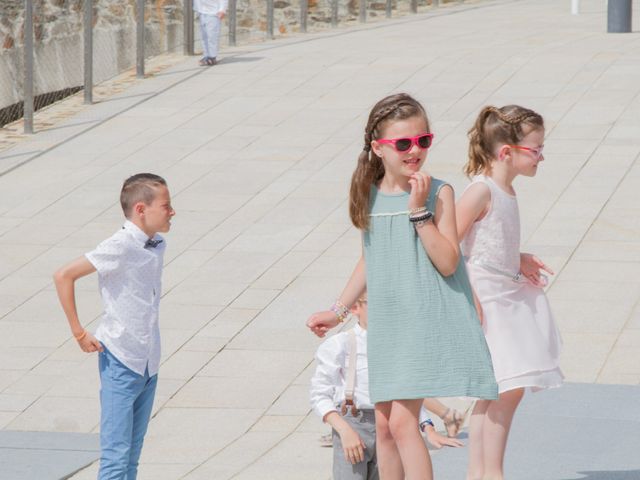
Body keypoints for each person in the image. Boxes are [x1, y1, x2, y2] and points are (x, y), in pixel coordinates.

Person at [307, 93, 497, 480]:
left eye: (423, 141)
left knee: (402, 425)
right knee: (383, 427)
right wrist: (338, 311)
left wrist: (418, 212)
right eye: (404, 143)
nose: (416, 151)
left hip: (422, 320)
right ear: (378, 148)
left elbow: (447, 261)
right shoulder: (367, 193)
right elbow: (369, 258)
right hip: (387, 324)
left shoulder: (437, 191)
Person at [457, 105, 563, 480]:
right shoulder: (480, 191)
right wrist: (468, 298)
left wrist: (517, 257)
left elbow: (485, 240)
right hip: (486, 296)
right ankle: (489, 473)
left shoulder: (506, 189)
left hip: (504, 289)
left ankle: (483, 473)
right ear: (506, 152)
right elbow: (449, 245)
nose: (541, 155)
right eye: (535, 149)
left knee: (500, 389)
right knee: (505, 387)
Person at [53, 173, 175, 480]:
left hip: (148, 363)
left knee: (132, 457)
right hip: (120, 361)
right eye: (166, 205)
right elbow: (63, 275)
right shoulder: (119, 245)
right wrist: (79, 332)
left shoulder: (157, 244)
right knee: (115, 459)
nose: (172, 211)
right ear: (140, 209)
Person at [310, 296, 462, 480]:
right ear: (355, 308)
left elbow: (407, 396)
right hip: (353, 424)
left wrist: (427, 427)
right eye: (375, 304)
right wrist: (344, 430)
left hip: (390, 426)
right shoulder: (339, 345)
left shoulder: (397, 346)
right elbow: (319, 396)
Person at [194, 0, 227, 66]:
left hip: (213, 12)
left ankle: (212, 57)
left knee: (212, 36)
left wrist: (222, 10)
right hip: (201, 12)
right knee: (204, 36)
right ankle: (206, 55)